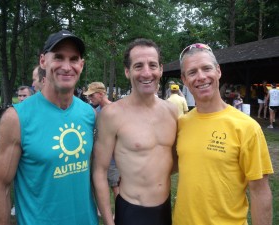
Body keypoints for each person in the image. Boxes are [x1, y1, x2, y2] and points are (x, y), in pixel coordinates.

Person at [0, 29, 98, 225]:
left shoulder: (88, 113)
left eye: (73, 59)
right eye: (58, 57)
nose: (66, 66)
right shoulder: (17, 118)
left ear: (81, 65)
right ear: (43, 61)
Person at [172, 43, 273, 225]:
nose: (201, 77)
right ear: (184, 80)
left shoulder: (247, 127)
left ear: (218, 71)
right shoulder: (182, 124)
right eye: (192, 72)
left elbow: (260, 191)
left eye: (206, 68)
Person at [92, 38, 178, 225]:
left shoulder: (172, 111)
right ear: (127, 71)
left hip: (165, 210)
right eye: (138, 66)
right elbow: (99, 171)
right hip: (132, 211)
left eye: (152, 65)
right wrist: (108, 221)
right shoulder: (112, 114)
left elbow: (175, 160)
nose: (146, 72)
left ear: (161, 69)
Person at [84, 82, 120, 215]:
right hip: (99, 158)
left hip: (113, 159)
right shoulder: (96, 111)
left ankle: (119, 213)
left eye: (92, 95)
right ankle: (103, 211)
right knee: (99, 186)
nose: (90, 98)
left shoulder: (115, 109)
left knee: (115, 186)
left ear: (101, 94)